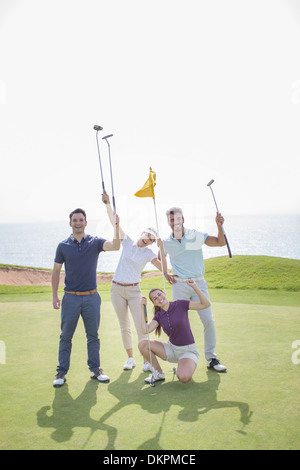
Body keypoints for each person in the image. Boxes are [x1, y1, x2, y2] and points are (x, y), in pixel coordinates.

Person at [51, 207, 120, 388]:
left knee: (93, 336)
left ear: (86, 222)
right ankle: (61, 372)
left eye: (81, 220)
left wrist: (116, 226)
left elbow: (115, 246)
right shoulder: (63, 246)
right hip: (71, 298)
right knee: (66, 336)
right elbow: (56, 271)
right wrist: (54, 295)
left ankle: (95, 369)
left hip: (91, 297)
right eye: (75, 220)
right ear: (70, 223)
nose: (78, 223)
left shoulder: (95, 242)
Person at [102, 192, 169, 372]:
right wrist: (108, 203)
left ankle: (146, 361)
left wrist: (162, 249)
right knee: (124, 326)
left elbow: (163, 267)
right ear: (143, 233)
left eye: (151, 240)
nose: (148, 240)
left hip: (134, 291)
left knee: (141, 327)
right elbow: (113, 222)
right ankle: (130, 358)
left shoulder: (148, 253)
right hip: (117, 289)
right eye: (148, 236)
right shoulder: (127, 241)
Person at [160, 207, 227, 372]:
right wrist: (165, 272)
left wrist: (219, 225)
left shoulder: (195, 236)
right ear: (168, 222)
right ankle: (180, 357)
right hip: (179, 286)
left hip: (198, 285)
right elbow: (161, 256)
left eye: (177, 219)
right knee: (176, 322)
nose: (175, 222)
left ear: (183, 220)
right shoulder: (166, 242)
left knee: (208, 321)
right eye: (171, 220)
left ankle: (211, 358)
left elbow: (220, 242)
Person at [138, 279, 211, 384]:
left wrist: (194, 286)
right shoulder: (158, 316)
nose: (159, 298)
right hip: (172, 349)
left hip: (188, 351)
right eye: (155, 298)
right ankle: (159, 373)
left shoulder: (180, 304)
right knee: (142, 344)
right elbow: (146, 330)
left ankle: (186, 363)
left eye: (159, 294)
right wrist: (142, 308)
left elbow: (206, 304)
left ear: (164, 293)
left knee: (183, 378)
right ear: (154, 303)